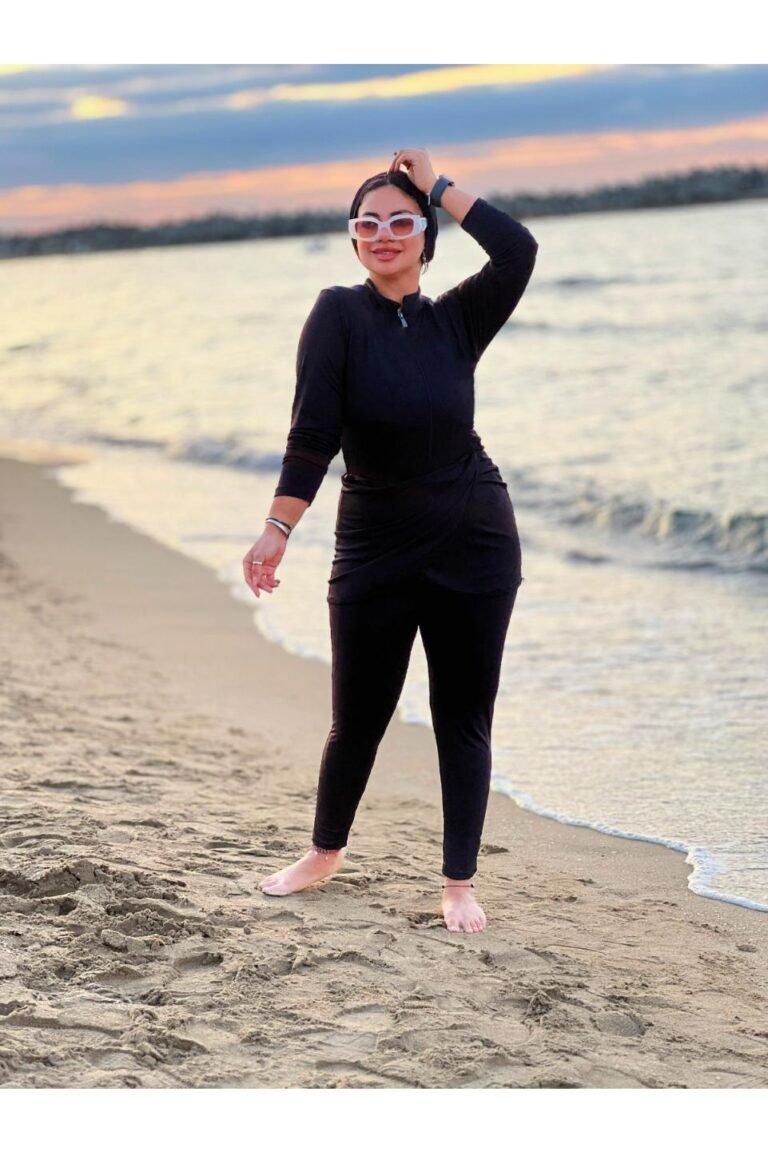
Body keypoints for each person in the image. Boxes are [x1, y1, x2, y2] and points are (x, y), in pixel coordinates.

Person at [243, 147, 538, 934]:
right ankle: (324, 853)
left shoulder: (458, 319)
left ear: (427, 237)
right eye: (367, 223)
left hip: (475, 538)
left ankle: (458, 883)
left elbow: (518, 249)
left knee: (462, 715)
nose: (382, 235)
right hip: (373, 542)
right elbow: (312, 435)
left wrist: (438, 184)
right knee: (359, 714)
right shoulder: (337, 315)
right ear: (352, 239)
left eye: (401, 222)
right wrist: (277, 528)